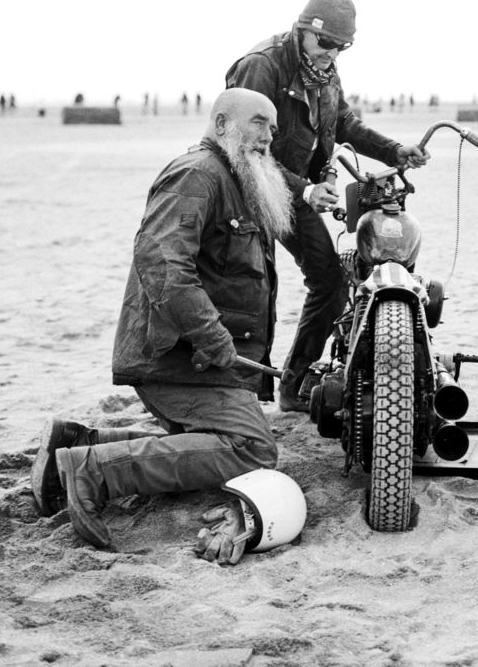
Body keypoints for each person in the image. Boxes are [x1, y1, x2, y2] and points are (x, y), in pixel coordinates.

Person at [31, 89, 298, 563]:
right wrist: (212, 336)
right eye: (258, 123)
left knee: (207, 444)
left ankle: (80, 443)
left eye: (273, 129)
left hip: (205, 357)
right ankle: (92, 470)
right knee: (253, 450)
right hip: (177, 357)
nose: (267, 137)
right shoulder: (198, 174)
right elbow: (162, 262)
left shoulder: (237, 178)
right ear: (222, 124)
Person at [225, 0, 430, 412]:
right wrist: (305, 188)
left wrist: (394, 151)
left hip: (291, 191)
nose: (332, 53)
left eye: (341, 46)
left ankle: (292, 384)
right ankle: (231, 398)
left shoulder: (324, 72)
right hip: (244, 191)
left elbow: (344, 123)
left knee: (331, 282)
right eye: (325, 42)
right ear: (303, 30)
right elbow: (243, 148)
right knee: (248, 291)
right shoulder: (262, 65)